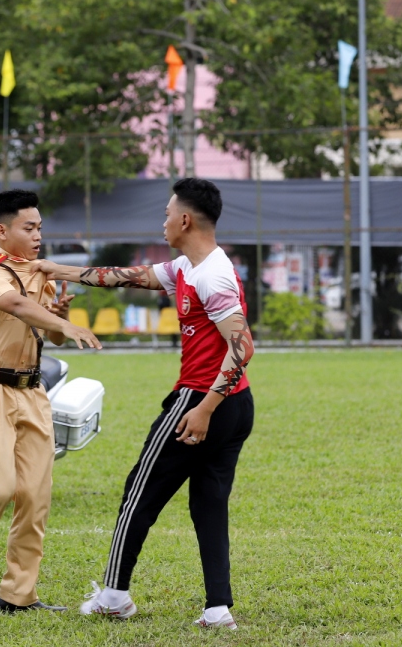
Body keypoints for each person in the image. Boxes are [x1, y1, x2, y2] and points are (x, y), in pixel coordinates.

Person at [33, 178, 256, 629]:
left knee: (139, 494)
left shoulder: (212, 273)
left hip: (202, 399)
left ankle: (114, 596)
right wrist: (57, 270)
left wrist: (205, 408)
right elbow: (126, 277)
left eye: (168, 213)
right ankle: (218, 609)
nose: (164, 221)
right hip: (237, 403)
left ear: (185, 219)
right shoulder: (187, 266)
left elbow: (242, 346)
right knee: (209, 504)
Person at [0, 189, 101, 613]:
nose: (38, 236)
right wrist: (67, 323)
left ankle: (17, 595)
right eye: (29, 228)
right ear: (2, 230)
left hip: (31, 392)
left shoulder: (40, 273)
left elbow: (51, 334)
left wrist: (62, 319)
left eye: (41, 228)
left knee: (33, 495)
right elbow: (14, 306)